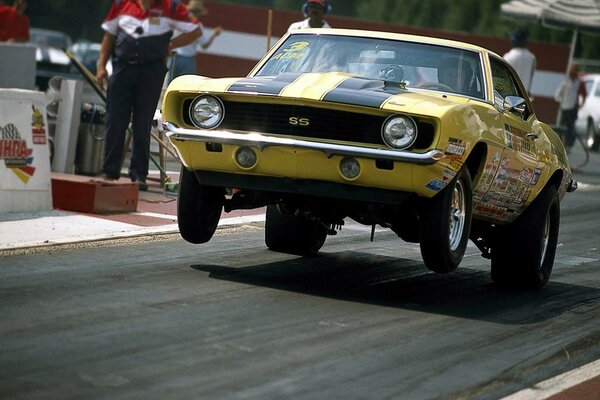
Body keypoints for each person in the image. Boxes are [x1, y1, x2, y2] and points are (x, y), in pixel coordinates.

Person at [96, 0, 201, 190]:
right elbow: (109, 35)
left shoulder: (171, 6)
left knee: (142, 122)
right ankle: (109, 171)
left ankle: (138, 175)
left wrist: (170, 45)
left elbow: (195, 30)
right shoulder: (122, 4)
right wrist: (101, 66)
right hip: (122, 67)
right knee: (114, 120)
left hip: (151, 70)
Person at [168, 0, 222, 79]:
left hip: (174, 57)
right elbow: (205, 45)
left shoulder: (179, 20)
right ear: (199, 13)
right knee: (187, 86)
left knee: (170, 84)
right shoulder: (198, 25)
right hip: (188, 59)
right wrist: (213, 35)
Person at [554, 63, 587, 150]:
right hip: (564, 107)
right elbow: (558, 94)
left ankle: (568, 145)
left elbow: (584, 94)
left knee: (570, 127)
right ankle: (558, 144)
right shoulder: (566, 81)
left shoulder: (579, 82)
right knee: (561, 127)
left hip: (573, 108)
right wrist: (559, 101)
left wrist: (581, 104)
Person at [503, 28, 536, 95]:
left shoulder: (507, 57)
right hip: (524, 96)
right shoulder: (532, 58)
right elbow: (530, 79)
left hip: (508, 95)